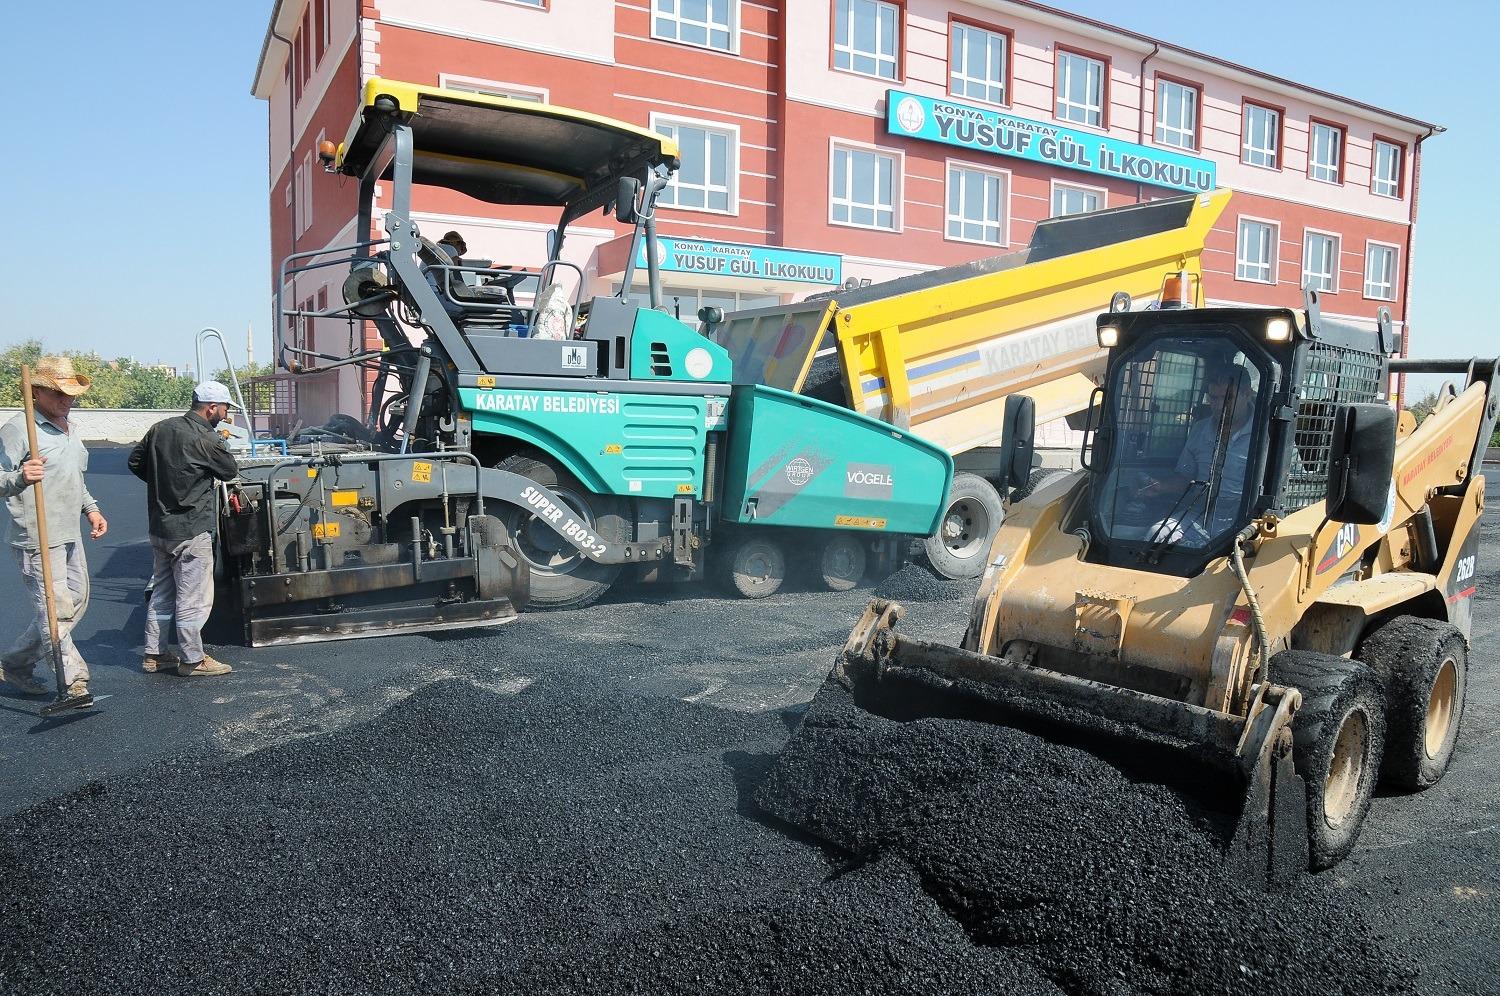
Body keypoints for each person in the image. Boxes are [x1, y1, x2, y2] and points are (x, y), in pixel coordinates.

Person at [0, 356, 108, 698]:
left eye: (71, 393)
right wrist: (20, 477)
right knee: (54, 611)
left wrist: (91, 509)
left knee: (76, 600)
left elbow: (74, 477)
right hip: (37, 535)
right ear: (37, 392)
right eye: (59, 393)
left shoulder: (69, 428)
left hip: (68, 530)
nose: (67, 399)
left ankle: (14, 663)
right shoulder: (20, 429)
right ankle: (74, 681)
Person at [128, 382, 240, 678]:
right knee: (193, 597)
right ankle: (192, 659)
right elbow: (229, 470)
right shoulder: (206, 438)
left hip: (160, 527)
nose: (226, 414)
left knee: (162, 592)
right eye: (225, 408)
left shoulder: (160, 428)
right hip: (191, 529)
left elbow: (135, 462)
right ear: (211, 407)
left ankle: (154, 654)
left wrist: (163, 483)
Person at [1140, 364, 1257, 540]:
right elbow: (1186, 477)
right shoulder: (1200, 430)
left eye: (1227, 398)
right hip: (1201, 513)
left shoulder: (1267, 434)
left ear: (1247, 394)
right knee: (1158, 535)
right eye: (1213, 398)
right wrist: (1161, 486)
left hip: (1246, 521)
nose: (1219, 405)